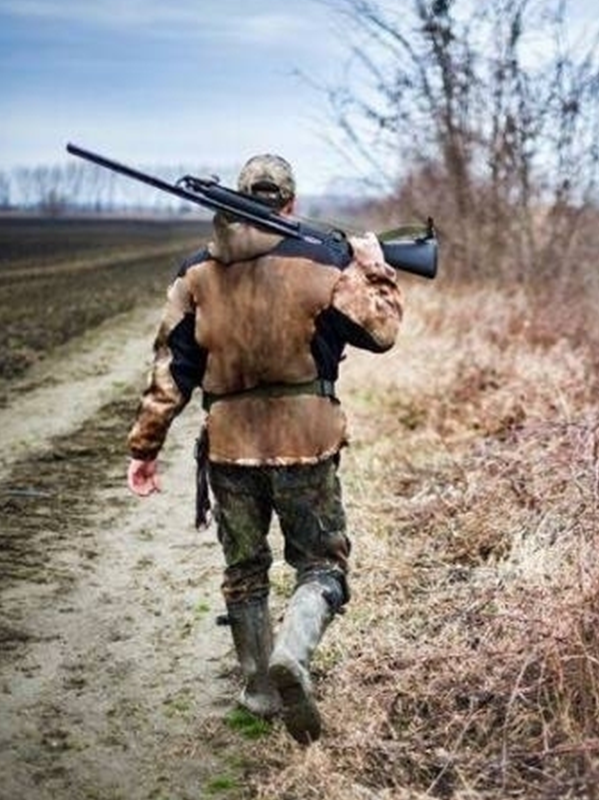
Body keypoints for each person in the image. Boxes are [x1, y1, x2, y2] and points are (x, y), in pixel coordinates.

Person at [124, 153, 403, 743]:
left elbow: (170, 370)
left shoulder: (195, 272)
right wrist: (375, 270)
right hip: (308, 442)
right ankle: (292, 656)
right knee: (321, 564)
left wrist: (145, 445)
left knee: (244, 571)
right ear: (292, 204)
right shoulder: (324, 262)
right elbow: (382, 332)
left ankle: (257, 687)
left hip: (230, 448)